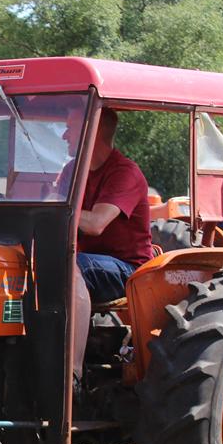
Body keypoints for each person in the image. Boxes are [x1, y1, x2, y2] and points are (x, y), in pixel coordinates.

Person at [75, 108, 153, 302]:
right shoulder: (73, 171)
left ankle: (70, 333)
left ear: (93, 130)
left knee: (67, 266)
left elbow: (95, 224)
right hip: (91, 260)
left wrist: (57, 210)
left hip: (129, 269)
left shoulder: (125, 173)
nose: (65, 135)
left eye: (71, 127)